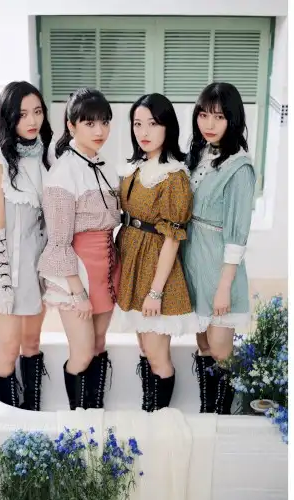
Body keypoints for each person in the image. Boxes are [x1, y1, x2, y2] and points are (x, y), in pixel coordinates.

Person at [114, 93, 199, 412]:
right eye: (137, 124)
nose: (144, 131)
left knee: (157, 355)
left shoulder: (174, 176)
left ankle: (158, 420)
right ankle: (148, 411)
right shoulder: (136, 167)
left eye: (152, 123)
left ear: (168, 127)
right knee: (144, 348)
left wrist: (155, 291)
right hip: (133, 264)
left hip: (154, 268)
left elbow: (173, 239)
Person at [37, 88, 120, 410]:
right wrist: (77, 291)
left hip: (105, 269)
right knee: (82, 352)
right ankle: (77, 419)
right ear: (71, 126)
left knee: (98, 344)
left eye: (105, 122)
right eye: (89, 123)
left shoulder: (103, 165)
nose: (99, 131)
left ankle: (95, 414)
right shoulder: (63, 173)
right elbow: (59, 241)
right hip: (77, 273)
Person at [0, 81, 54, 410]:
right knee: (8, 348)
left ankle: (31, 413)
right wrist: (5, 285)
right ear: (8, 117)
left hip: (37, 266)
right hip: (7, 268)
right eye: (22, 114)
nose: (31, 121)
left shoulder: (46, 157)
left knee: (32, 342)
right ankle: (10, 422)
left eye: (37, 112)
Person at [182, 82, 256, 414]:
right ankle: (206, 411)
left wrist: (224, 286)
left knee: (221, 347)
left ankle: (225, 417)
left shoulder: (239, 167)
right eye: (203, 115)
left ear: (233, 120)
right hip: (193, 261)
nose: (209, 124)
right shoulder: (199, 154)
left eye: (219, 117)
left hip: (218, 266)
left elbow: (238, 235)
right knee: (202, 342)